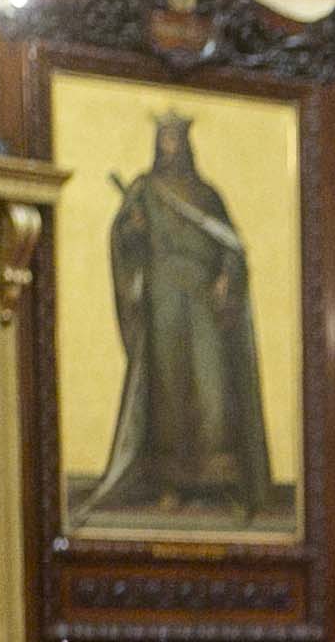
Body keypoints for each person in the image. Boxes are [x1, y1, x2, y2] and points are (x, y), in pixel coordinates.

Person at [80, 110, 275, 526]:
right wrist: (131, 230)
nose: (170, 146)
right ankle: (171, 483)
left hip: (204, 303)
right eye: (164, 139)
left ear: (186, 143)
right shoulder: (145, 191)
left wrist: (226, 276)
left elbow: (231, 246)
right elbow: (125, 241)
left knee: (211, 388)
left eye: (176, 139)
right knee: (168, 389)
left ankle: (216, 483)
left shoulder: (207, 196)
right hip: (164, 300)